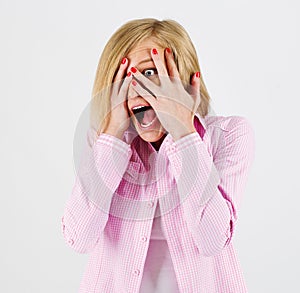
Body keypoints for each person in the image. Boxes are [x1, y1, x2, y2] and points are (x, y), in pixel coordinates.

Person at [61, 18, 255, 293]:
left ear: (187, 79)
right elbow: (79, 239)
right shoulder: (102, 142)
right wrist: (112, 136)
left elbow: (213, 240)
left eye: (150, 73)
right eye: (124, 76)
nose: (137, 88)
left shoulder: (230, 135)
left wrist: (183, 132)